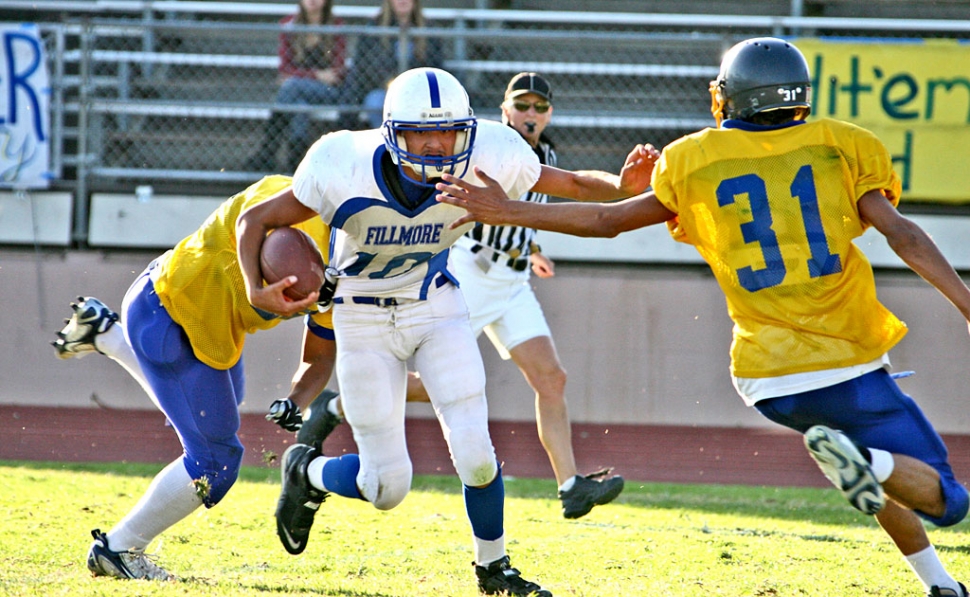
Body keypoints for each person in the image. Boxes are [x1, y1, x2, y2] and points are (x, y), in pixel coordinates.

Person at [435, 38, 970, 597]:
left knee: (874, 473)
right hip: (849, 359)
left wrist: (505, 209)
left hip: (766, 379)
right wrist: (966, 304)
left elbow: (607, 220)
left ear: (730, 96)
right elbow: (902, 233)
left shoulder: (694, 158)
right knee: (947, 500)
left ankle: (938, 584)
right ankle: (863, 461)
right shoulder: (842, 145)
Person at [235, 67, 652, 596]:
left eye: (448, 131)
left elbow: (567, 183)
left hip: (435, 301)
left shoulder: (491, 153)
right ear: (391, 132)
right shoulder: (342, 163)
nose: (435, 145)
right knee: (386, 487)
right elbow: (255, 220)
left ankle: (493, 567)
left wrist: (620, 186)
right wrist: (254, 288)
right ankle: (306, 473)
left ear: (468, 129)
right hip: (361, 315)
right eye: (419, 133)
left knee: (476, 449)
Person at [53, 175, 341, 581]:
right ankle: (118, 548)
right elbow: (249, 220)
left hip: (208, 325)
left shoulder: (344, 256)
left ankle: (107, 336)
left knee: (218, 414)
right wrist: (257, 288)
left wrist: (297, 399)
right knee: (215, 461)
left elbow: (321, 353)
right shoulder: (281, 201)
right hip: (167, 316)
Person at [245, 0, 347, 173]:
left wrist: (299, 77)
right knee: (299, 106)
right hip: (300, 92)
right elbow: (284, 69)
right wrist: (316, 75)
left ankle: (268, 151)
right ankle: (296, 162)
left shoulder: (336, 26)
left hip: (329, 92)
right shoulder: (289, 24)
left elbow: (337, 73)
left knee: (290, 88)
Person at [348, 0, 444, 129]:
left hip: (418, 91)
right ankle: (387, 142)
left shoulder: (428, 29)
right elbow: (368, 67)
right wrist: (392, 85)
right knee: (375, 102)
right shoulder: (374, 27)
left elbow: (434, 66)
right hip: (384, 90)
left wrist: (412, 86)